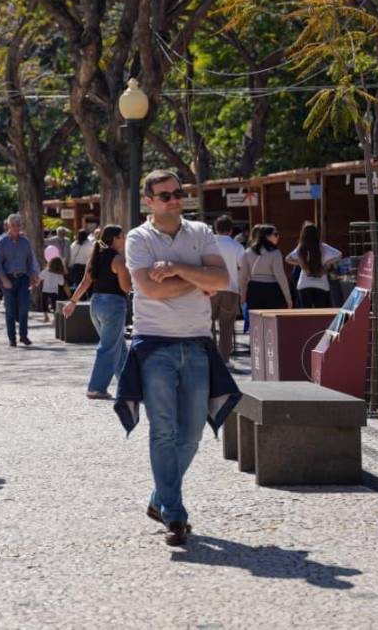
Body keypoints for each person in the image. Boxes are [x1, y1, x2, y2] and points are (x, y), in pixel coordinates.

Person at [120, 170, 230, 547]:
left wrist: (179, 269)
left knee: (194, 433)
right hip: (154, 346)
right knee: (163, 431)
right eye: (165, 195)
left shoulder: (200, 232)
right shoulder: (139, 238)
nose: (174, 199)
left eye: (178, 192)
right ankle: (176, 516)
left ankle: (159, 499)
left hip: (197, 344)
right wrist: (200, 278)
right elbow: (151, 290)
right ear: (148, 200)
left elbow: (222, 280)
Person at [64, 226, 130, 399]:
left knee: (119, 347)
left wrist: (72, 302)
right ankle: (96, 387)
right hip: (113, 305)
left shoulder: (95, 257)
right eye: (122, 236)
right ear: (114, 239)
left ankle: (130, 387)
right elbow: (125, 287)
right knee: (109, 348)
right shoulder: (118, 260)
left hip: (96, 304)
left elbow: (85, 282)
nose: (124, 239)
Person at [0, 214, 40, 347]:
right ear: (8, 226)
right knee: (10, 310)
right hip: (8, 278)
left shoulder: (25, 242)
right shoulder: (2, 242)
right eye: (13, 225)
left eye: (18, 225)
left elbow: (30, 261)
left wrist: (33, 276)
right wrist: (3, 279)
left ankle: (23, 335)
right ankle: (12, 338)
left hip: (23, 278)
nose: (16, 228)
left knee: (24, 308)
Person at [210, 215, 243, 362]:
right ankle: (224, 359)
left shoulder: (208, 244)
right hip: (231, 288)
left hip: (209, 289)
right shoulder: (237, 246)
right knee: (227, 327)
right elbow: (243, 267)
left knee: (207, 325)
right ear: (231, 230)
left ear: (215, 228)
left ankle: (210, 356)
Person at [285, 222, 342, 309]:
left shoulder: (301, 248)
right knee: (319, 312)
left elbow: (288, 258)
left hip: (304, 283)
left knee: (305, 312)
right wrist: (327, 263)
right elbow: (339, 255)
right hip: (321, 284)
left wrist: (300, 263)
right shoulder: (323, 247)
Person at [240, 225, 292, 311]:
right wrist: (288, 297)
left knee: (256, 321)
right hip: (272, 290)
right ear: (267, 236)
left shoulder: (248, 252)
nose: (278, 236)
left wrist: (243, 294)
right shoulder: (275, 252)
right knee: (273, 321)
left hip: (254, 289)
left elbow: (243, 276)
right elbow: (280, 276)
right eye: (275, 234)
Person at [37, 257, 68, 322]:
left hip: (45, 290)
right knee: (54, 305)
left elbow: (39, 277)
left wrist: (37, 283)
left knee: (44, 304)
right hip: (54, 291)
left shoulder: (46, 271)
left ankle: (46, 317)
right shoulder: (58, 274)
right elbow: (61, 283)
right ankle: (55, 318)